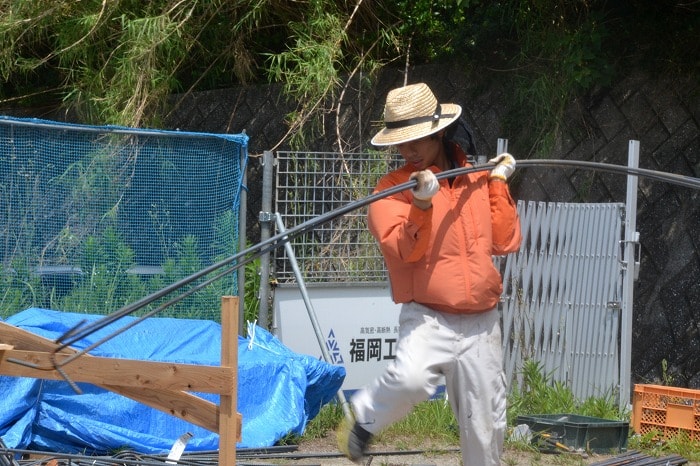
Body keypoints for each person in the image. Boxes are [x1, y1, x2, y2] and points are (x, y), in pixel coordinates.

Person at [338, 82, 522, 466]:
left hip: (482, 323)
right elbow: (406, 250)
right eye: (402, 144)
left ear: (439, 132)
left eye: (417, 140)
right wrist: (421, 203)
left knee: (485, 430)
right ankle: (364, 421)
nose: (409, 151)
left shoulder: (477, 177)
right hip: (429, 316)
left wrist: (499, 184)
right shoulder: (391, 189)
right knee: (411, 379)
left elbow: (505, 241)